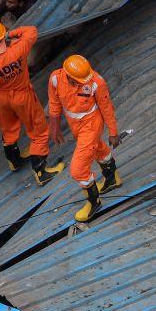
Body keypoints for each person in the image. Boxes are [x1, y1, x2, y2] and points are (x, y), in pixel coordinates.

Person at [0, 20, 63, 184]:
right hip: (22, 95)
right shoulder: (18, 49)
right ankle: (40, 173)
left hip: (2, 98)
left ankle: (14, 161)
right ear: (3, 35)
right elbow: (31, 30)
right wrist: (10, 34)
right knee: (39, 131)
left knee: (8, 128)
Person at [47, 54, 120, 222]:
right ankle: (112, 179)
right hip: (75, 124)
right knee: (97, 148)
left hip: (91, 124)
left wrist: (113, 132)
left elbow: (106, 107)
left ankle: (94, 202)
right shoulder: (55, 79)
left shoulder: (96, 82)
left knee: (78, 169)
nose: (83, 83)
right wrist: (55, 127)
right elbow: (54, 103)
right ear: (69, 77)